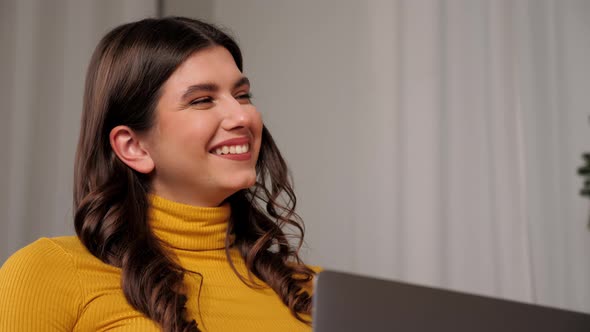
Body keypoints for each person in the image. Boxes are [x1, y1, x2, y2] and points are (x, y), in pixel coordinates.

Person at [0, 17, 317, 332]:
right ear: (133, 146)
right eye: (202, 100)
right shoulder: (47, 273)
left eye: (242, 95)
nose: (242, 116)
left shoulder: (317, 294)